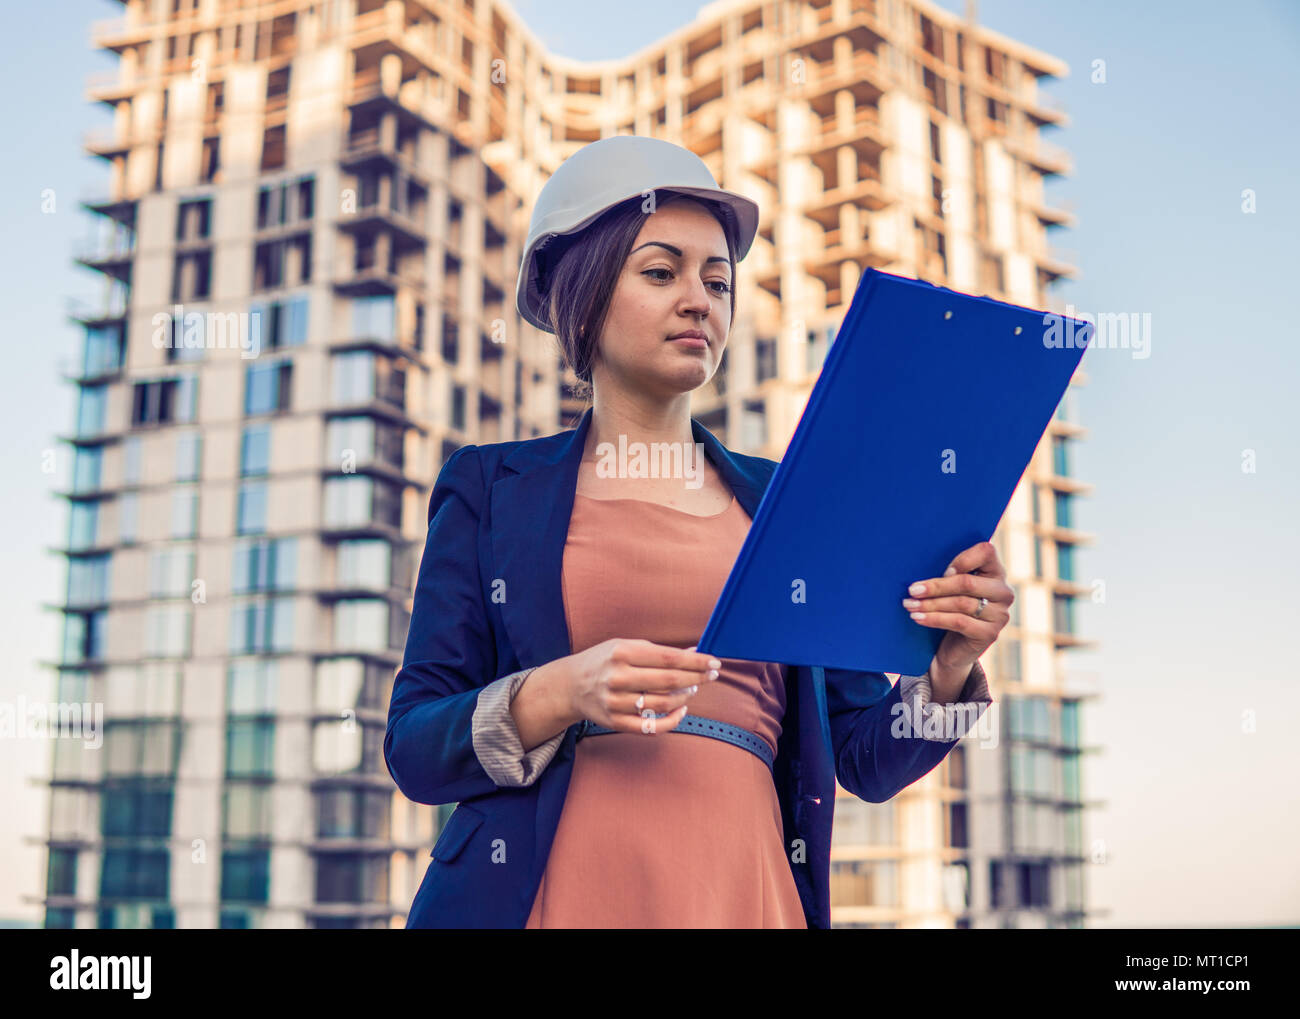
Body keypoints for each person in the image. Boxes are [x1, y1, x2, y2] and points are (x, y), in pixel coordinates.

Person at [385, 135, 1011, 929]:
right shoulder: (491, 488)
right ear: (583, 294)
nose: (700, 300)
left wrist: (951, 670)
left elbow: (864, 756)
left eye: (718, 281)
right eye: (661, 271)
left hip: (743, 889)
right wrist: (560, 690)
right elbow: (414, 743)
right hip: (551, 892)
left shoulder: (788, 500)